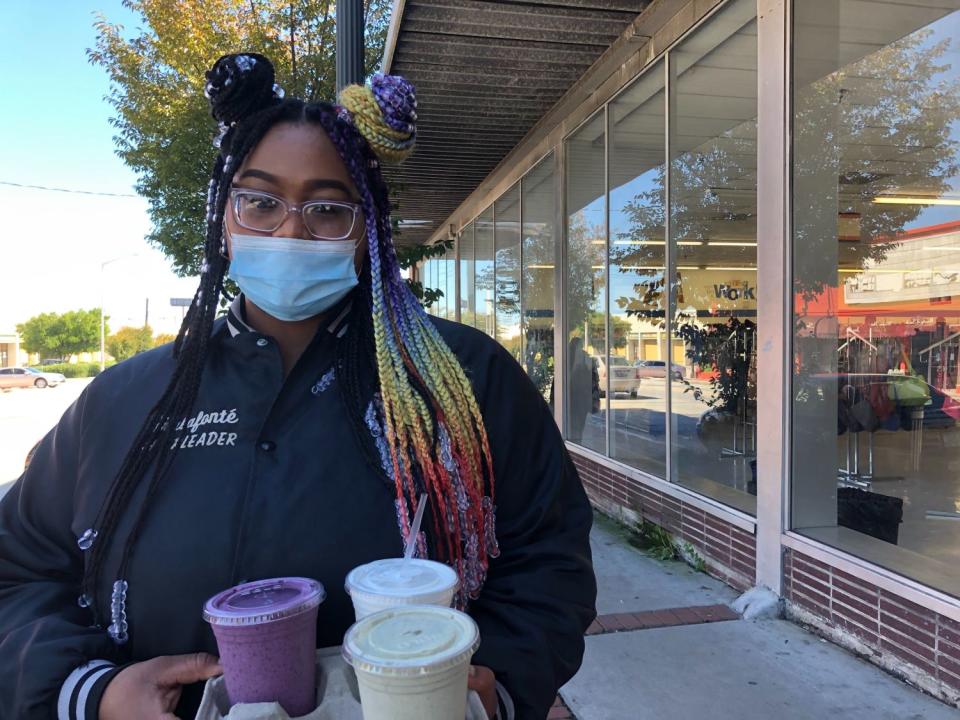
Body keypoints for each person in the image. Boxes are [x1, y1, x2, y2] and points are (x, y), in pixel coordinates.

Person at [0, 54, 595, 720]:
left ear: (366, 230)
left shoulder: (465, 380)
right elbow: (17, 571)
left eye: (327, 208)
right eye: (259, 200)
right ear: (221, 218)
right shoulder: (122, 400)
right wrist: (90, 692)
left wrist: (503, 686)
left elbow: (550, 560)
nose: (290, 228)